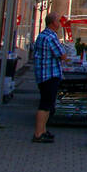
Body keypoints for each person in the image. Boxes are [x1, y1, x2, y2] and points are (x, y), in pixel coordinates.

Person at [30, 13, 66, 143]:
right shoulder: (51, 37)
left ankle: (43, 130)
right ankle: (38, 133)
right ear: (52, 23)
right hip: (49, 74)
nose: (60, 23)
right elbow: (61, 54)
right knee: (45, 104)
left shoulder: (42, 35)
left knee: (47, 103)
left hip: (42, 74)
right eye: (58, 21)